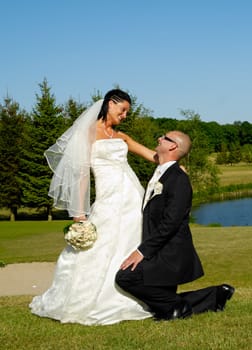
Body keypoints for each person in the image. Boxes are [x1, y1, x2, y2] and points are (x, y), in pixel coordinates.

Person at [30, 89, 156, 325]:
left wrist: (174, 163)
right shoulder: (87, 134)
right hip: (108, 199)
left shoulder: (122, 137)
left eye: (128, 111)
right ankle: (90, 298)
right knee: (100, 246)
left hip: (133, 197)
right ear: (110, 103)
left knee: (131, 243)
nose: (125, 115)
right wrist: (79, 215)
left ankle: (131, 295)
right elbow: (81, 176)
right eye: (123, 109)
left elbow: (151, 155)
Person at [116, 131, 235, 321]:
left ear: (173, 146)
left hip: (171, 253)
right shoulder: (161, 173)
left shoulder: (179, 179)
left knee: (125, 278)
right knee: (163, 302)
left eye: (164, 137)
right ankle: (215, 295)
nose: (159, 138)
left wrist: (142, 251)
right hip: (160, 251)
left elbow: (171, 223)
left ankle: (179, 306)